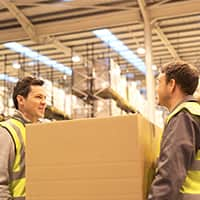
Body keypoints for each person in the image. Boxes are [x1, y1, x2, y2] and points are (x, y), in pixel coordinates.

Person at [148, 60, 200, 200]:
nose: (156, 89)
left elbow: (171, 173)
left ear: (171, 85)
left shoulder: (183, 117)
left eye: (159, 82)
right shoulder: (195, 112)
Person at [0, 76, 46, 200]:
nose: (44, 102)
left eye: (44, 98)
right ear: (21, 100)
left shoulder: (45, 131)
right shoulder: (6, 131)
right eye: (38, 97)